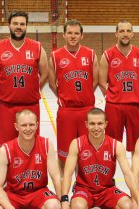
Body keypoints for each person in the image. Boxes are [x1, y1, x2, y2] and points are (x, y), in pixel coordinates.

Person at [60, 108, 139, 209]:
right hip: (84, 189)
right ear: (86, 124)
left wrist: (138, 202)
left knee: (128, 207)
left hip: (107, 190)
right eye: (92, 123)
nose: (96, 127)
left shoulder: (116, 145)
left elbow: (128, 175)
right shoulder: (77, 143)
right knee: (77, 208)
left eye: (100, 123)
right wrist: (64, 201)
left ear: (106, 124)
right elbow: (67, 174)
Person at [0, 110, 61, 209]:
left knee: (55, 207)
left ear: (37, 125)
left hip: (38, 192)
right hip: (14, 194)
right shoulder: (6, 150)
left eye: (31, 125)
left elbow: (56, 177)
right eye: (24, 125)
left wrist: (63, 203)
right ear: (16, 126)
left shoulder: (46, 144)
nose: (28, 129)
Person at [0, 11, 48, 149]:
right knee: (6, 148)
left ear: (26, 26)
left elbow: (44, 74)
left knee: (31, 146)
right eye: (15, 23)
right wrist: (2, 91)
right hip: (7, 107)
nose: (19, 27)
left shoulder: (37, 47)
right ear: (9, 25)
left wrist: (34, 89)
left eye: (22, 24)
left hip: (31, 105)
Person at [48, 19, 98, 174]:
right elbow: (51, 83)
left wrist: (84, 95)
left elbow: (95, 81)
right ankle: (63, 192)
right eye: (69, 33)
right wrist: (65, 96)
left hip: (87, 111)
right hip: (66, 112)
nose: (73, 36)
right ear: (63, 35)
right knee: (64, 156)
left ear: (81, 36)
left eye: (76, 33)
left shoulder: (90, 54)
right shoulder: (55, 56)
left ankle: (83, 189)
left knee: (86, 154)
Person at [99, 19, 139, 154]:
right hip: (114, 106)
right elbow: (102, 82)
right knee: (113, 144)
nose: (125, 34)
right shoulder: (107, 55)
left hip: (135, 105)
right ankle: (110, 175)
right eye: (122, 31)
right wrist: (113, 96)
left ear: (132, 34)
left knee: (137, 146)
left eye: (128, 31)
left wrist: (134, 94)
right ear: (116, 34)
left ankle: (135, 175)